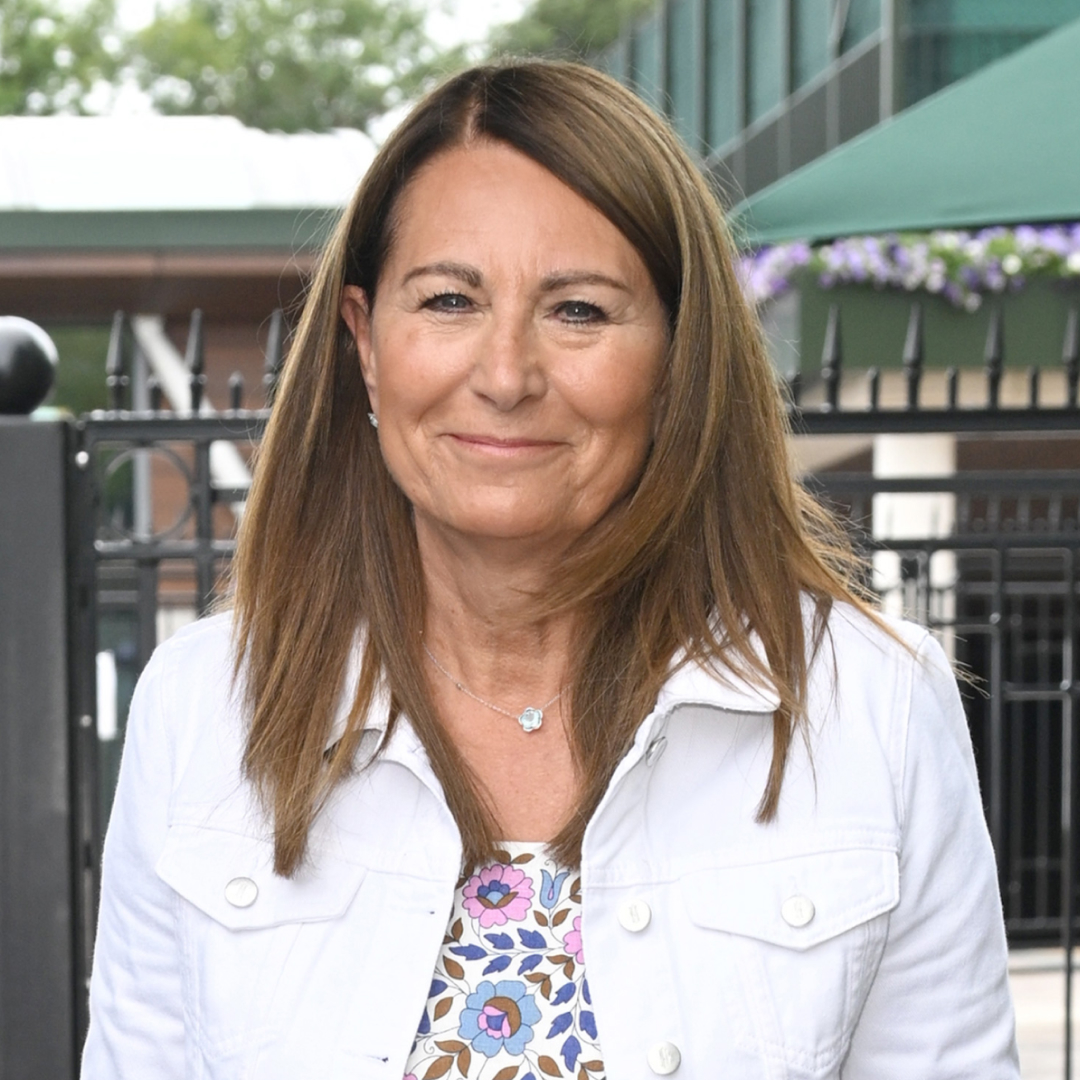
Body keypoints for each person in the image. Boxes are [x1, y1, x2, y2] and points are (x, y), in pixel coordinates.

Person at [82, 61, 1018, 1079]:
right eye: (448, 300)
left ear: (678, 356)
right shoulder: (205, 708)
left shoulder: (871, 706)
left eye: (578, 311)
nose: (505, 375)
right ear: (364, 343)